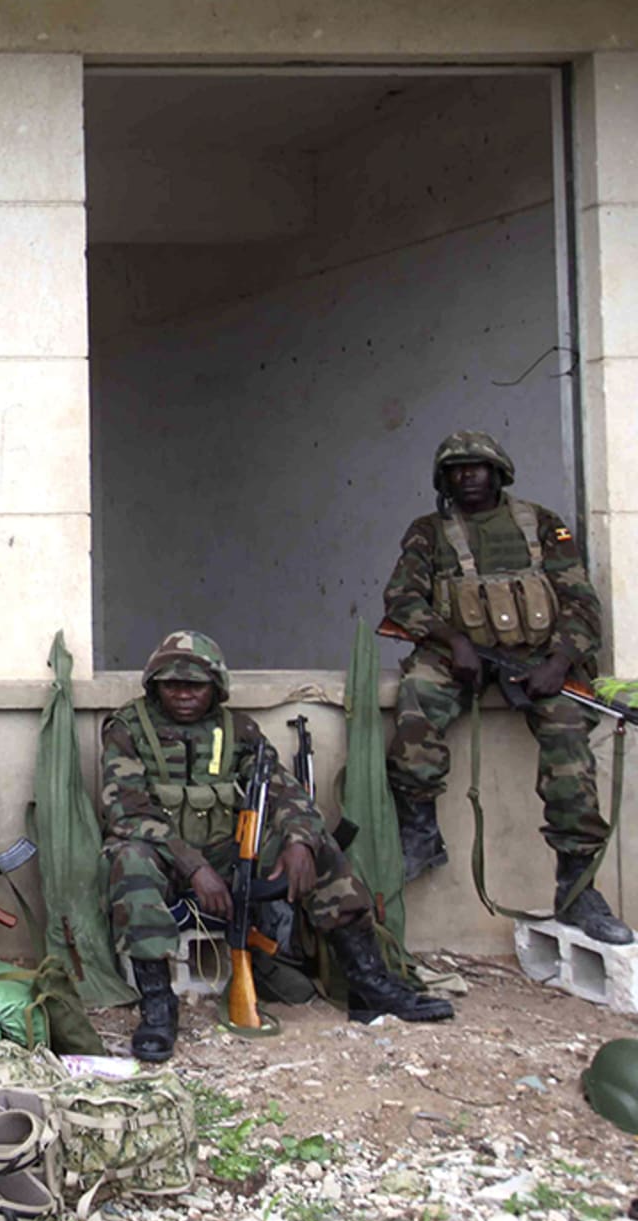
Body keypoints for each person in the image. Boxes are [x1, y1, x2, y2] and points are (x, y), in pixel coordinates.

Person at [103, 631, 452, 1062]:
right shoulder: (128, 729)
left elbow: (285, 793)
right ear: (154, 685)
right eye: (172, 684)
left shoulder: (239, 730)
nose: (183, 694)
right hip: (164, 857)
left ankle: (369, 983)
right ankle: (158, 1006)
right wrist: (194, 867)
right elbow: (127, 812)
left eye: (195, 685)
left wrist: (299, 840)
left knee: (321, 847)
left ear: (216, 687)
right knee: (129, 859)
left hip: (230, 853)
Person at [383, 430, 630, 943]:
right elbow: (402, 600)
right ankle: (420, 834)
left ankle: (578, 886)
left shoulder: (541, 525)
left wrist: (560, 662)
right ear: (444, 480)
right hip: (460, 658)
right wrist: (454, 642)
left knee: (568, 745)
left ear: (498, 472)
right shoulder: (429, 532)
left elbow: (582, 604)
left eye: (476, 467)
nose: (467, 476)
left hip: (538, 658)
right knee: (415, 704)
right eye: (456, 470)